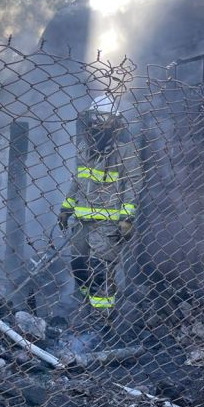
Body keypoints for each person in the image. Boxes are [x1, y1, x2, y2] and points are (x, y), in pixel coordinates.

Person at [58, 94, 140, 317]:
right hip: (83, 222)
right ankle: (88, 303)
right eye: (94, 117)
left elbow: (132, 187)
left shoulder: (126, 151)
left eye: (102, 117)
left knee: (100, 269)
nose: (96, 123)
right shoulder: (85, 148)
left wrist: (126, 219)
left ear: (115, 122)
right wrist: (66, 208)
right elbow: (78, 181)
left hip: (109, 225)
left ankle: (103, 317)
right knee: (78, 264)